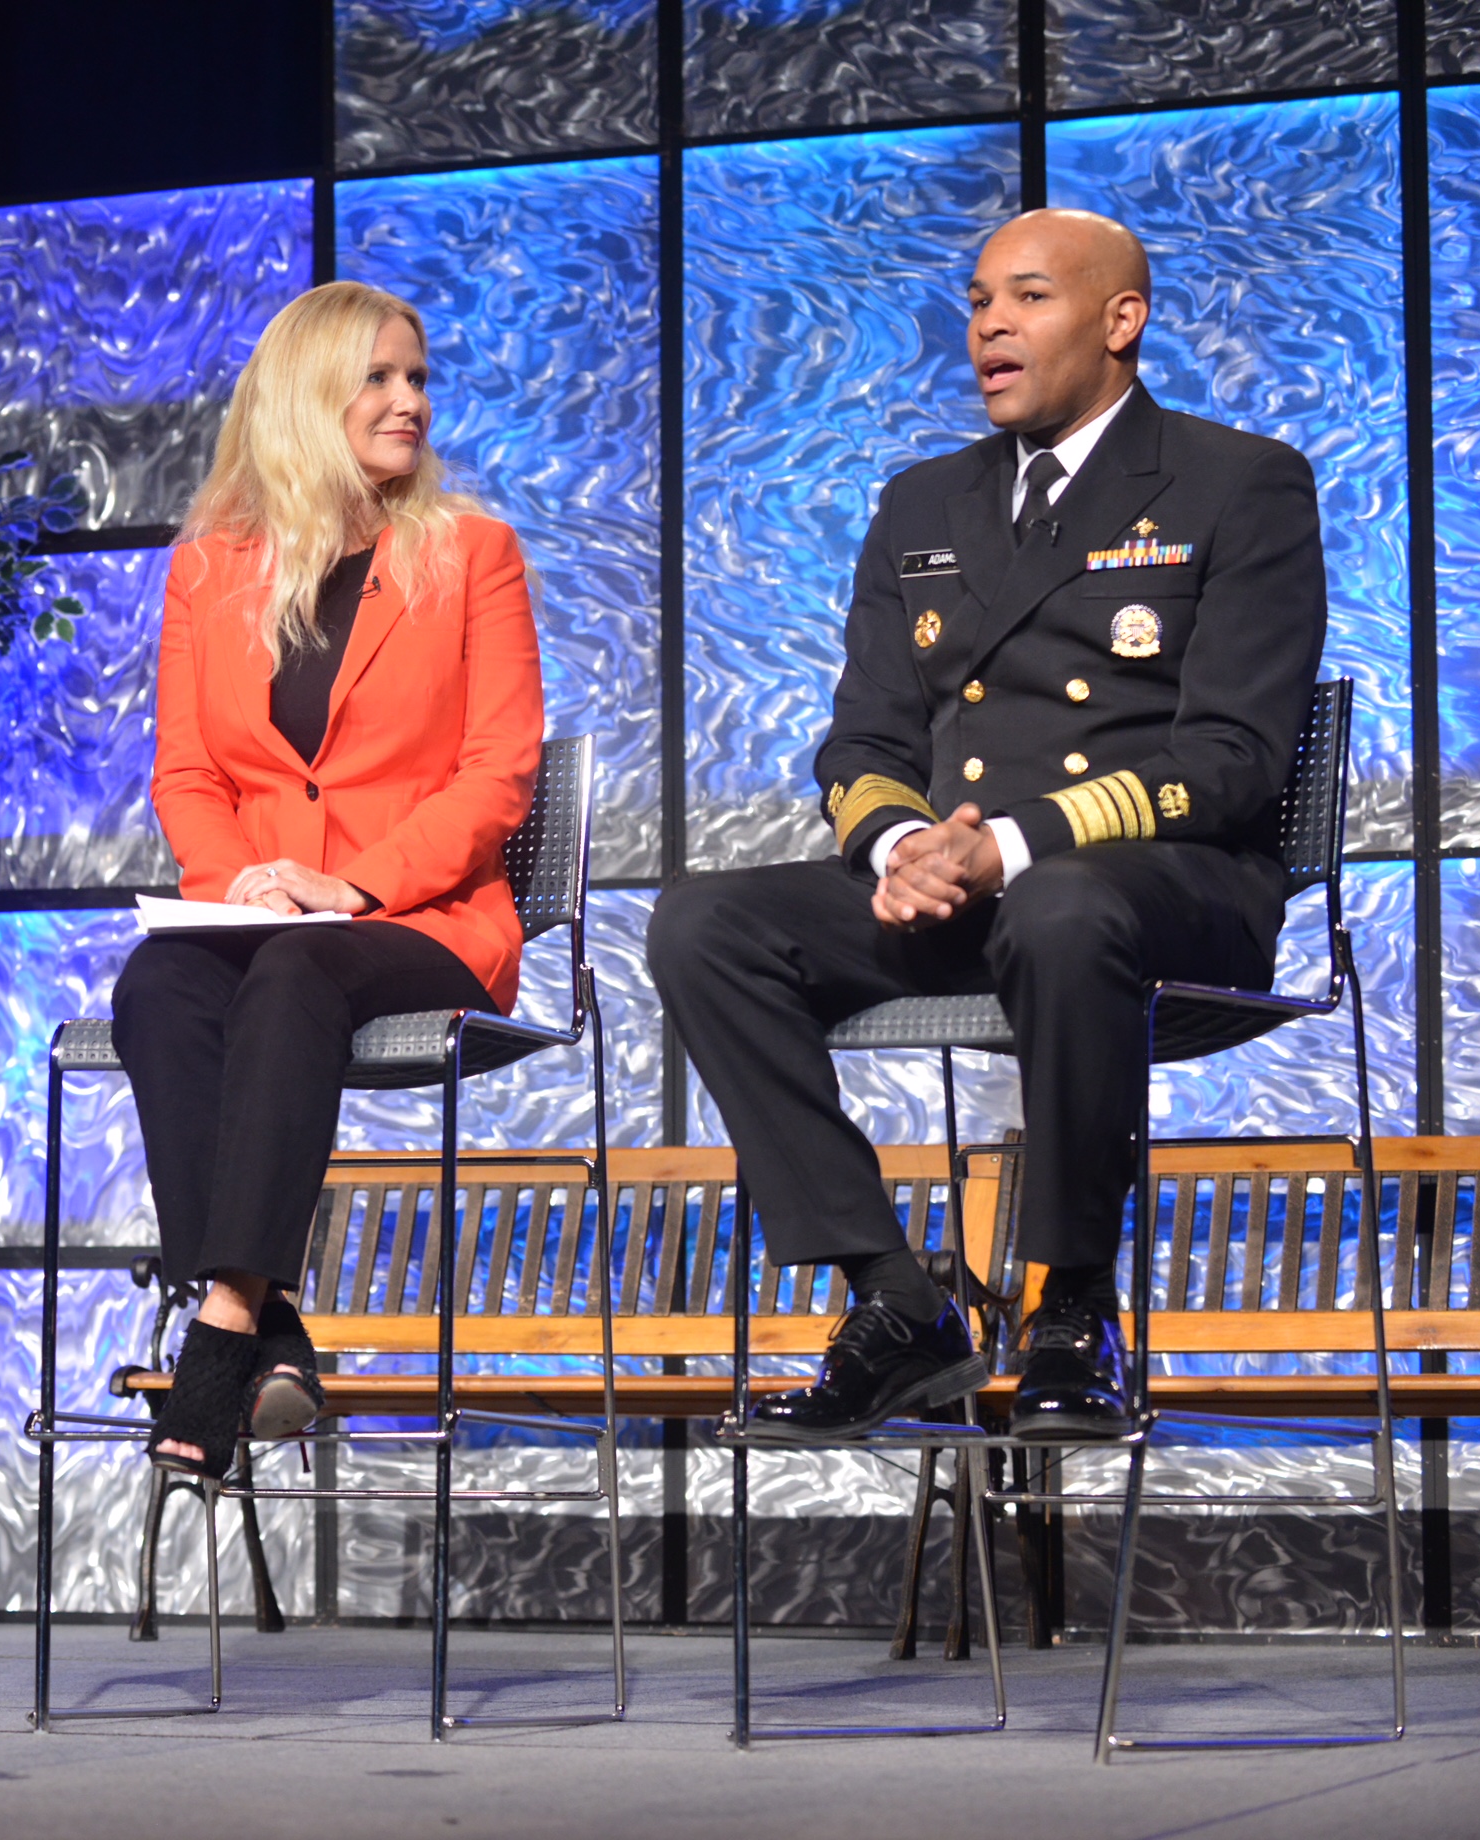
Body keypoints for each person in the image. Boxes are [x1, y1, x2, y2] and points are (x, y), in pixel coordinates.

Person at [648, 209, 1327, 1442]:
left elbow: (1234, 761)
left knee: (1066, 909)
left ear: (1122, 321)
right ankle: (893, 1299)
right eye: (976, 304)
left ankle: (1072, 1306)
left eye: (1028, 299)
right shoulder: (922, 503)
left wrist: (1003, 845)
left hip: (1170, 892)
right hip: (970, 897)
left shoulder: (1240, 480)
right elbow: (860, 744)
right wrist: (902, 847)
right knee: (705, 925)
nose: (990, 328)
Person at [113, 280, 544, 1480]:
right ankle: (272, 1317)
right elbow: (187, 772)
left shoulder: (473, 556)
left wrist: (346, 889)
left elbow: (496, 775)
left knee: (297, 967)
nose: (410, 402)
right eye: (379, 378)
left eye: (418, 379)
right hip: (268, 912)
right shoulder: (210, 572)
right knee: (157, 985)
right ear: (308, 399)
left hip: (426, 919)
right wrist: (239, 881)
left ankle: (221, 1324)